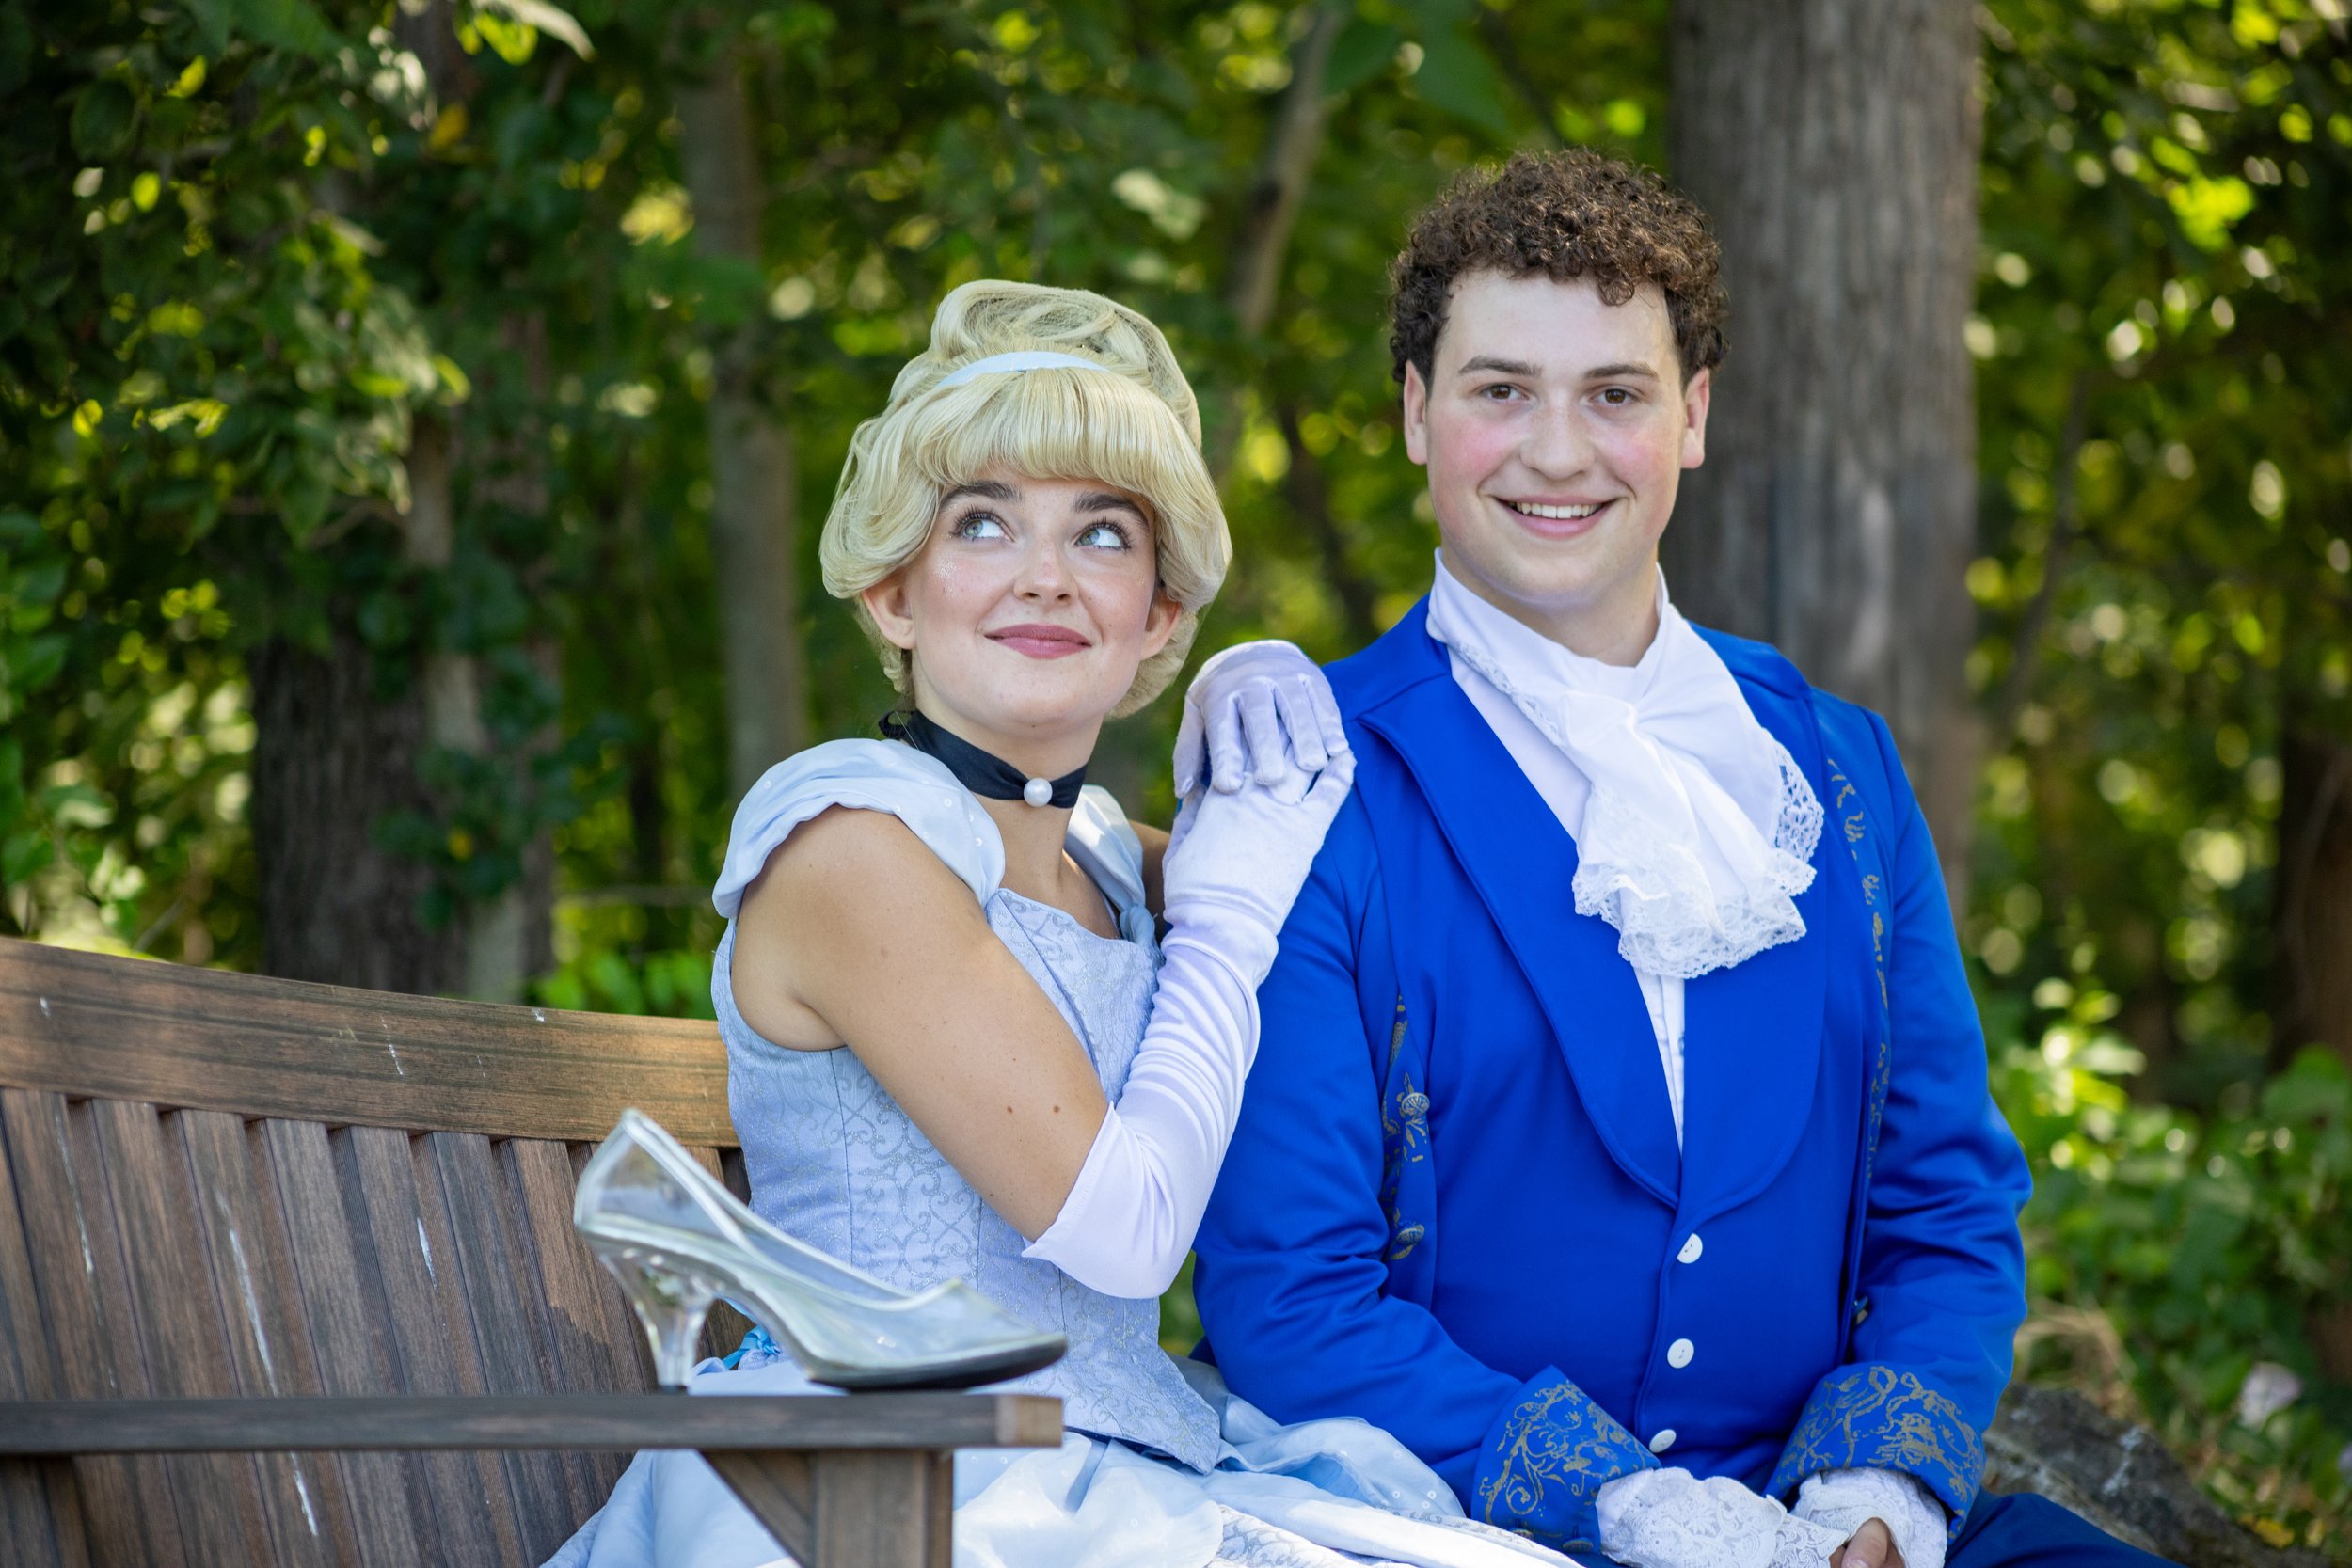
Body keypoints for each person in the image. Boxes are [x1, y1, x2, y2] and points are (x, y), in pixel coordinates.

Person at [1190, 150, 2177, 1568]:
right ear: (1415, 415)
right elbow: (1289, 1299)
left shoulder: (1838, 774)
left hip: (1823, 1528)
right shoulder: (1311, 775)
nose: (1556, 450)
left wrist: (1873, 1496)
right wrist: (1627, 1507)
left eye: (1615, 394)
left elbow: (1944, 1200)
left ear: (1694, 417)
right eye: (1498, 390)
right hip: (1454, 1529)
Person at [548, 279, 1576, 1568]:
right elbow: (1126, 1228)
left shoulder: (1101, 853)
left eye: (1102, 534)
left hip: (1112, 1459)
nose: (1046, 576)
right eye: (982, 523)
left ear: (1157, 610)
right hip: (891, 1483)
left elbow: (1400, 938)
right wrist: (1222, 913)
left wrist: (1257, 718)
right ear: (891, 595)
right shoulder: (852, 845)